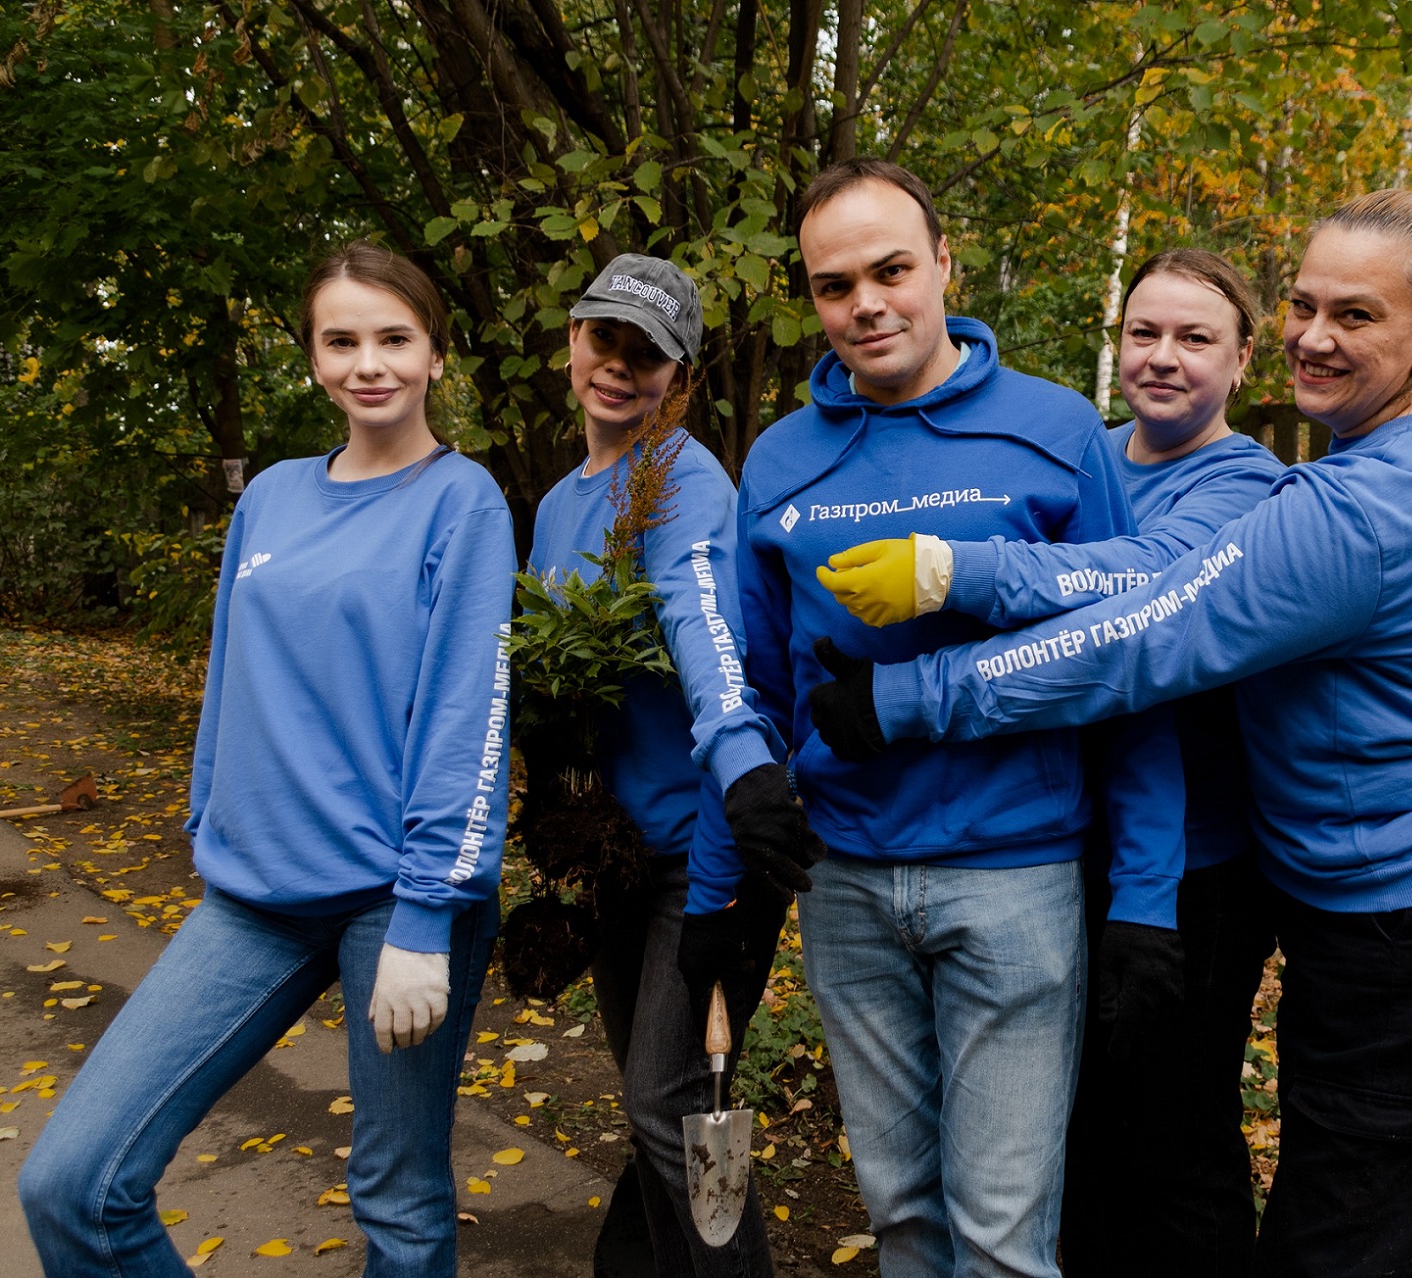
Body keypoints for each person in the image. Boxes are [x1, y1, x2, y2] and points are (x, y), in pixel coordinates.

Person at [809, 188, 1412, 1276]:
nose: (1318, 334)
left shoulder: (1354, 505)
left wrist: (910, 697)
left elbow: (1150, 631)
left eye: (1356, 316)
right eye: (1307, 302)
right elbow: (1161, 575)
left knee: (1353, 1229)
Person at [18, 242, 517, 1276]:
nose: (367, 364)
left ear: (435, 357)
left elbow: (468, 717)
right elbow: (231, 668)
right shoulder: (275, 497)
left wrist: (428, 914)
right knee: (74, 1183)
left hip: (397, 899)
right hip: (252, 894)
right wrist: (207, 815)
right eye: (342, 341)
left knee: (398, 1204)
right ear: (312, 358)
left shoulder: (462, 501)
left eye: (394, 339)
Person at [734, 156, 1186, 1278]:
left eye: (892, 270)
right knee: (902, 1216)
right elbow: (753, 677)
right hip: (847, 880)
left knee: (1000, 1234)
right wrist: (752, 801)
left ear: (944, 263)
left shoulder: (1054, 426)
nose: (867, 304)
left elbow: (1127, 656)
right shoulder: (781, 460)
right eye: (835, 286)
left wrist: (1145, 893)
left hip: (1015, 880)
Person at [817, 248, 1285, 1274]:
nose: (1162, 359)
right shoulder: (1091, 454)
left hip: (1193, 869)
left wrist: (955, 572)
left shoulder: (1247, 482)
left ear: (1244, 361)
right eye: (1143, 334)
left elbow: (1143, 586)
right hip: (1071, 839)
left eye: (1195, 339)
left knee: (1174, 1130)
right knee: (1072, 1147)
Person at [521, 253, 815, 1277]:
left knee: (668, 1099)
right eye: (606, 339)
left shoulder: (685, 485)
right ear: (572, 338)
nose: (619, 368)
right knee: (658, 1102)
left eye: (649, 355)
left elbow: (702, 622)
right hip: (616, 851)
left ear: (678, 377)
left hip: (702, 849)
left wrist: (740, 763)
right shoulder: (561, 503)